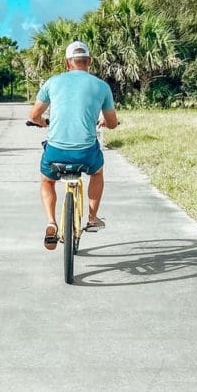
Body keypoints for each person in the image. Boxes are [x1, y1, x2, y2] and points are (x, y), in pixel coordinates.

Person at [28, 40, 118, 250]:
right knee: (97, 173)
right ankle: (93, 218)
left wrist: (41, 122)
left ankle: (51, 222)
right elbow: (112, 123)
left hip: (56, 151)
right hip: (86, 154)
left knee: (47, 181)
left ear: (68, 63)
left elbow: (33, 115)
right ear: (90, 62)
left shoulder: (52, 82)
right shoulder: (101, 86)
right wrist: (105, 121)